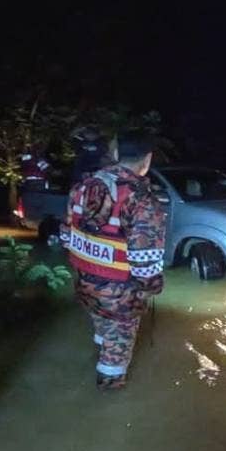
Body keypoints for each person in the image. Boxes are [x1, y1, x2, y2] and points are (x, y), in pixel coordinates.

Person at [60, 131, 166, 390]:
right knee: (115, 355)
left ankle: (99, 352)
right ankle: (107, 397)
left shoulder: (82, 188)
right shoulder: (142, 200)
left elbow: (66, 235)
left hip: (85, 284)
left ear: (116, 154)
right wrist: (153, 287)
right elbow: (144, 262)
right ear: (147, 160)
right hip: (121, 296)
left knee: (102, 329)